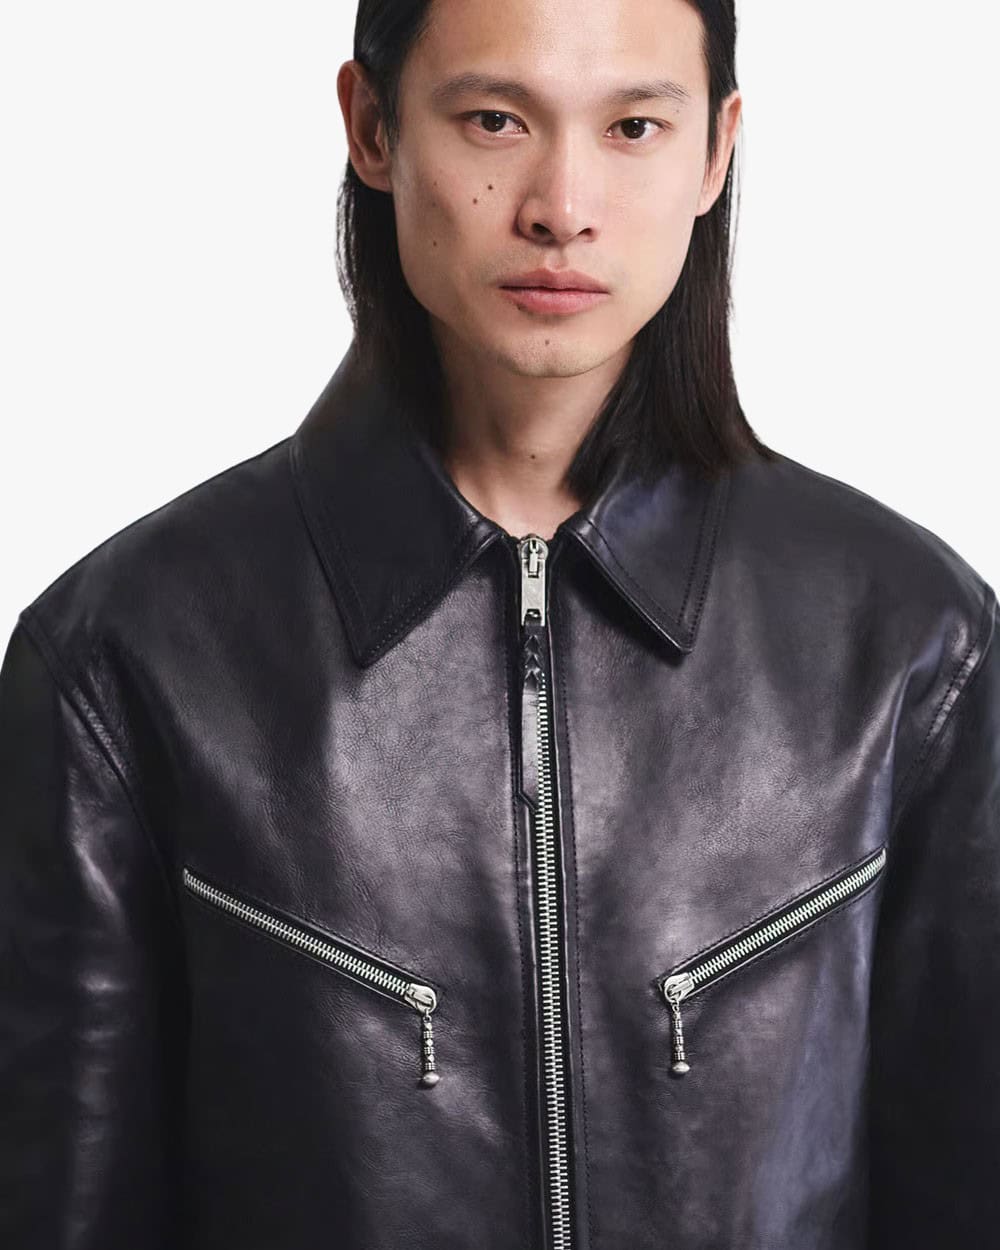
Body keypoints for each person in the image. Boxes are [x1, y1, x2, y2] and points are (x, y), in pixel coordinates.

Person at [1, 0, 997, 1246]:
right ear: (372, 127)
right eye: (493, 119)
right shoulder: (126, 658)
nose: (561, 206)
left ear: (716, 151)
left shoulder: (910, 641)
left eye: (632, 126)